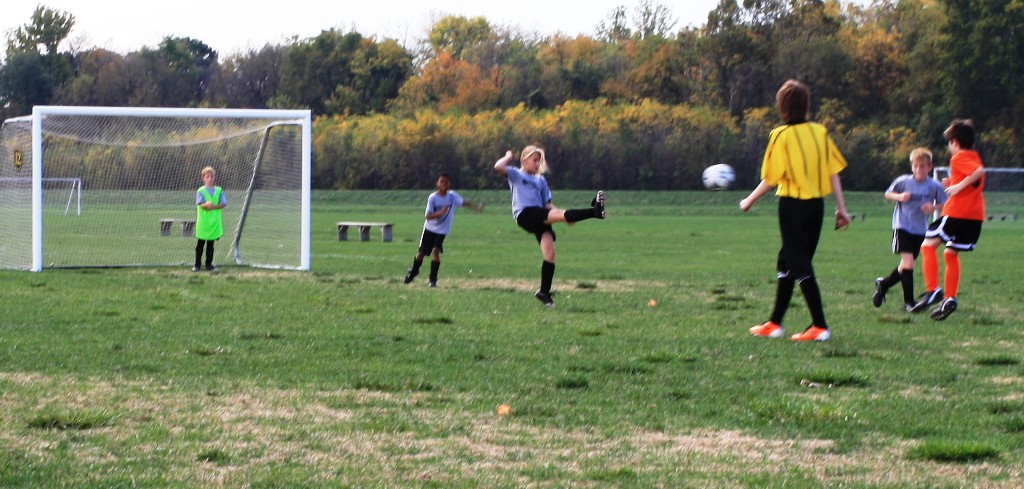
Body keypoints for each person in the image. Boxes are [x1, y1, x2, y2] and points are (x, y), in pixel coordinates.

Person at [740, 79, 851, 342]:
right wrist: (841, 208)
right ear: (806, 105)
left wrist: (749, 200)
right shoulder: (820, 132)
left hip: (793, 206)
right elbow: (833, 172)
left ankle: (819, 326)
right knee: (787, 260)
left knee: (799, 262)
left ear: (782, 107)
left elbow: (772, 178)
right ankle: (774, 323)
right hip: (816, 207)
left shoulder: (780, 135)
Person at [494, 145, 606, 307]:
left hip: (540, 215)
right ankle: (595, 211)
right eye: (534, 160)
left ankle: (544, 292)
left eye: (539, 161)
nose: (537, 163)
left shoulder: (540, 180)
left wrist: (563, 216)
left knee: (550, 255)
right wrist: (508, 155)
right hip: (525, 214)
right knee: (561, 215)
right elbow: (498, 166)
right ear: (524, 159)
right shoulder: (516, 174)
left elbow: (547, 205)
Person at [910, 119, 986, 320]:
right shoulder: (973, 156)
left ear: (955, 142)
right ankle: (950, 298)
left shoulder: (959, 157)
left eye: (949, 142)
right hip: (974, 217)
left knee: (927, 246)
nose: (949, 146)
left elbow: (978, 172)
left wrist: (956, 187)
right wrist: (954, 182)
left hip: (957, 214)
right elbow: (975, 179)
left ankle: (932, 290)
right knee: (950, 253)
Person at [872, 148, 948, 311]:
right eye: (915, 166)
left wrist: (933, 207)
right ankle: (909, 303)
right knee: (908, 263)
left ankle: (883, 284)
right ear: (912, 166)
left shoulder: (934, 185)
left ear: (929, 167)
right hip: (902, 226)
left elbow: (946, 204)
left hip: (920, 230)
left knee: (905, 266)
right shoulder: (903, 181)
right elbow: (888, 193)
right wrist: (899, 196)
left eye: (922, 166)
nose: (918, 169)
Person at [403, 172, 483, 287]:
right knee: (421, 254)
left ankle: (433, 280)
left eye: (446, 182)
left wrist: (477, 208)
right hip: (429, 229)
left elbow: (464, 202)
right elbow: (428, 216)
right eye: (442, 181)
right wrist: (440, 213)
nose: (444, 184)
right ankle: (414, 272)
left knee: (435, 251)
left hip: (442, 231)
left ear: (449, 184)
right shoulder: (433, 197)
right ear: (437, 184)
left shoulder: (452, 196)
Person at [194, 166, 227, 272]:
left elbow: (223, 204)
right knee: (200, 244)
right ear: (203, 178)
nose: (210, 179)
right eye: (207, 177)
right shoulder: (200, 191)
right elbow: (200, 204)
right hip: (203, 222)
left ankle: (208, 265)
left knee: (210, 245)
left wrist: (213, 206)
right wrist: (206, 205)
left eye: (212, 176)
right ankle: (197, 265)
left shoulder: (219, 190)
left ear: (214, 177)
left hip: (214, 222)